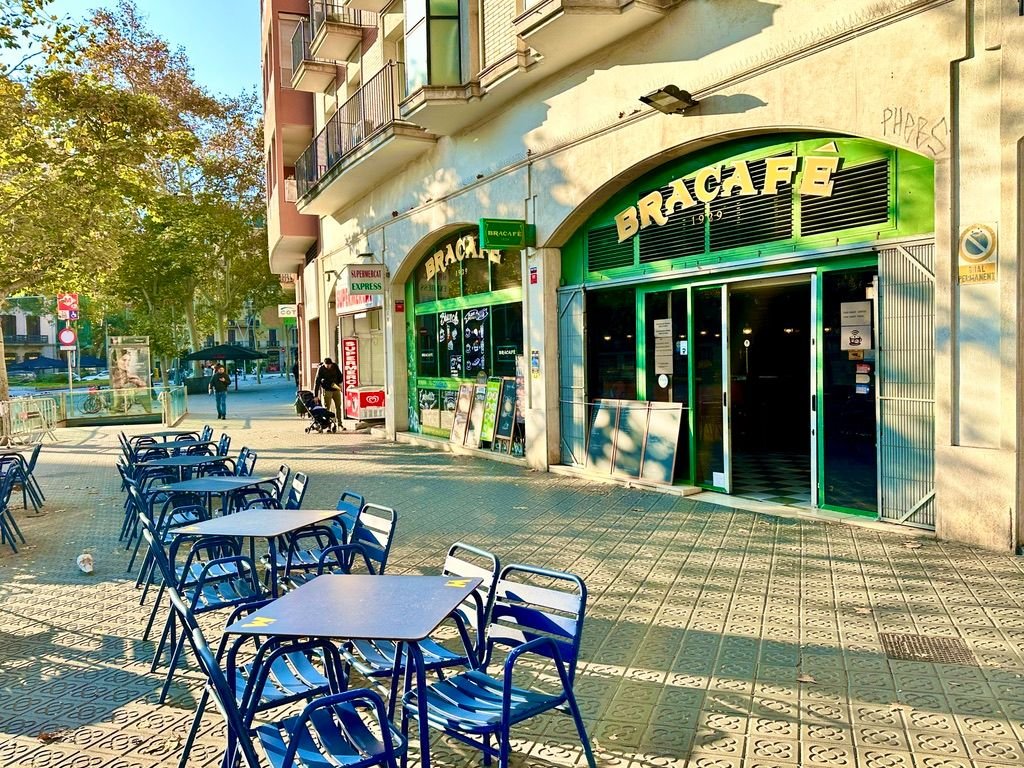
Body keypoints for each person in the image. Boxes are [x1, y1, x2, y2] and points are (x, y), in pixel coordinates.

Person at [314, 357, 343, 422]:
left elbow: (340, 376)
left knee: (338, 407)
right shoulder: (321, 369)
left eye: (329, 365)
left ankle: (339, 423)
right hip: (327, 390)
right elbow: (317, 382)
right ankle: (328, 424)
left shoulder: (335, 366)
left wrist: (340, 384)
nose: (328, 366)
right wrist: (315, 395)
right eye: (327, 365)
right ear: (324, 364)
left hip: (336, 389)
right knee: (327, 408)